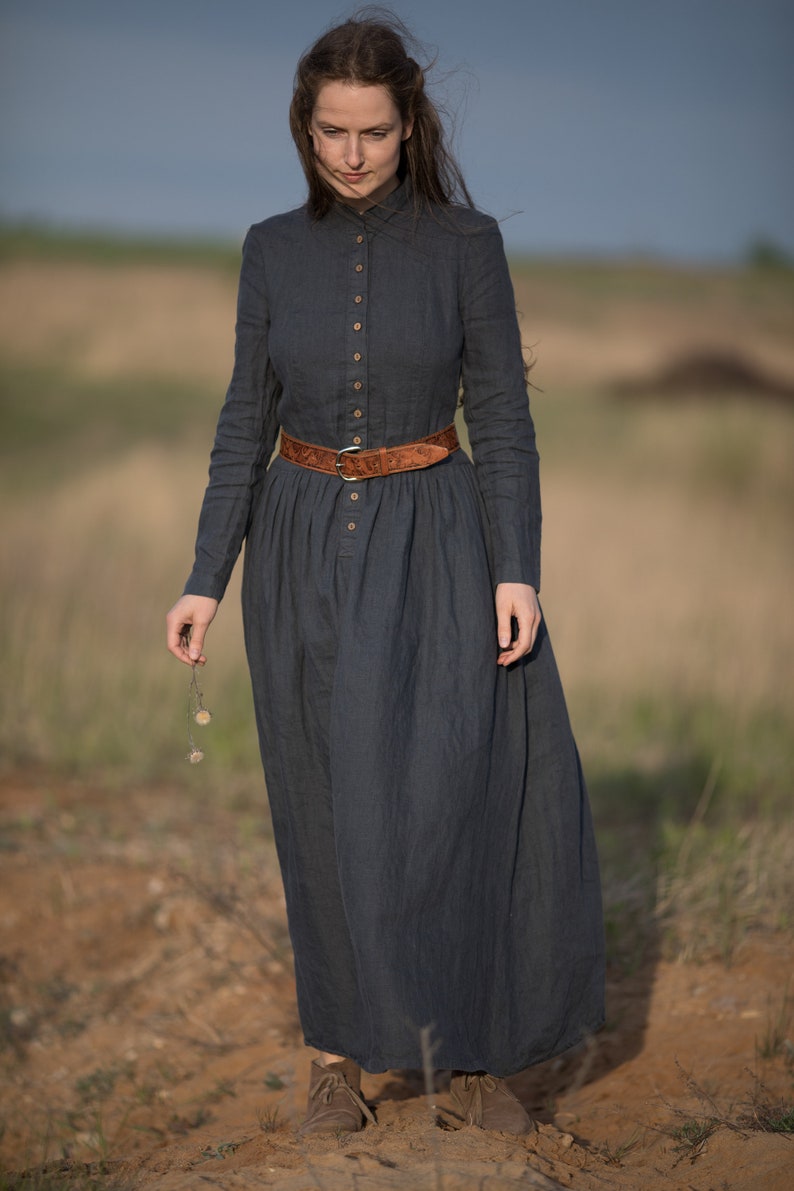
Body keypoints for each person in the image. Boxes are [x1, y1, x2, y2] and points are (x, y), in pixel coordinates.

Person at [167, 11, 604, 1137]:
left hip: (438, 539)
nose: (350, 156)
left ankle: (463, 1062)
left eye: (371, 131)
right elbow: (240, 424)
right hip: (300, 543)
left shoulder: (467, 244)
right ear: (302, 127)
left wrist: (518, 569)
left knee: (450, 795)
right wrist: (205, 576)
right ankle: (336, 1060)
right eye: (329, 133)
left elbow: (501, 415)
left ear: (407, 123)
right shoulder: (270, 248)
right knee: (320, 801)